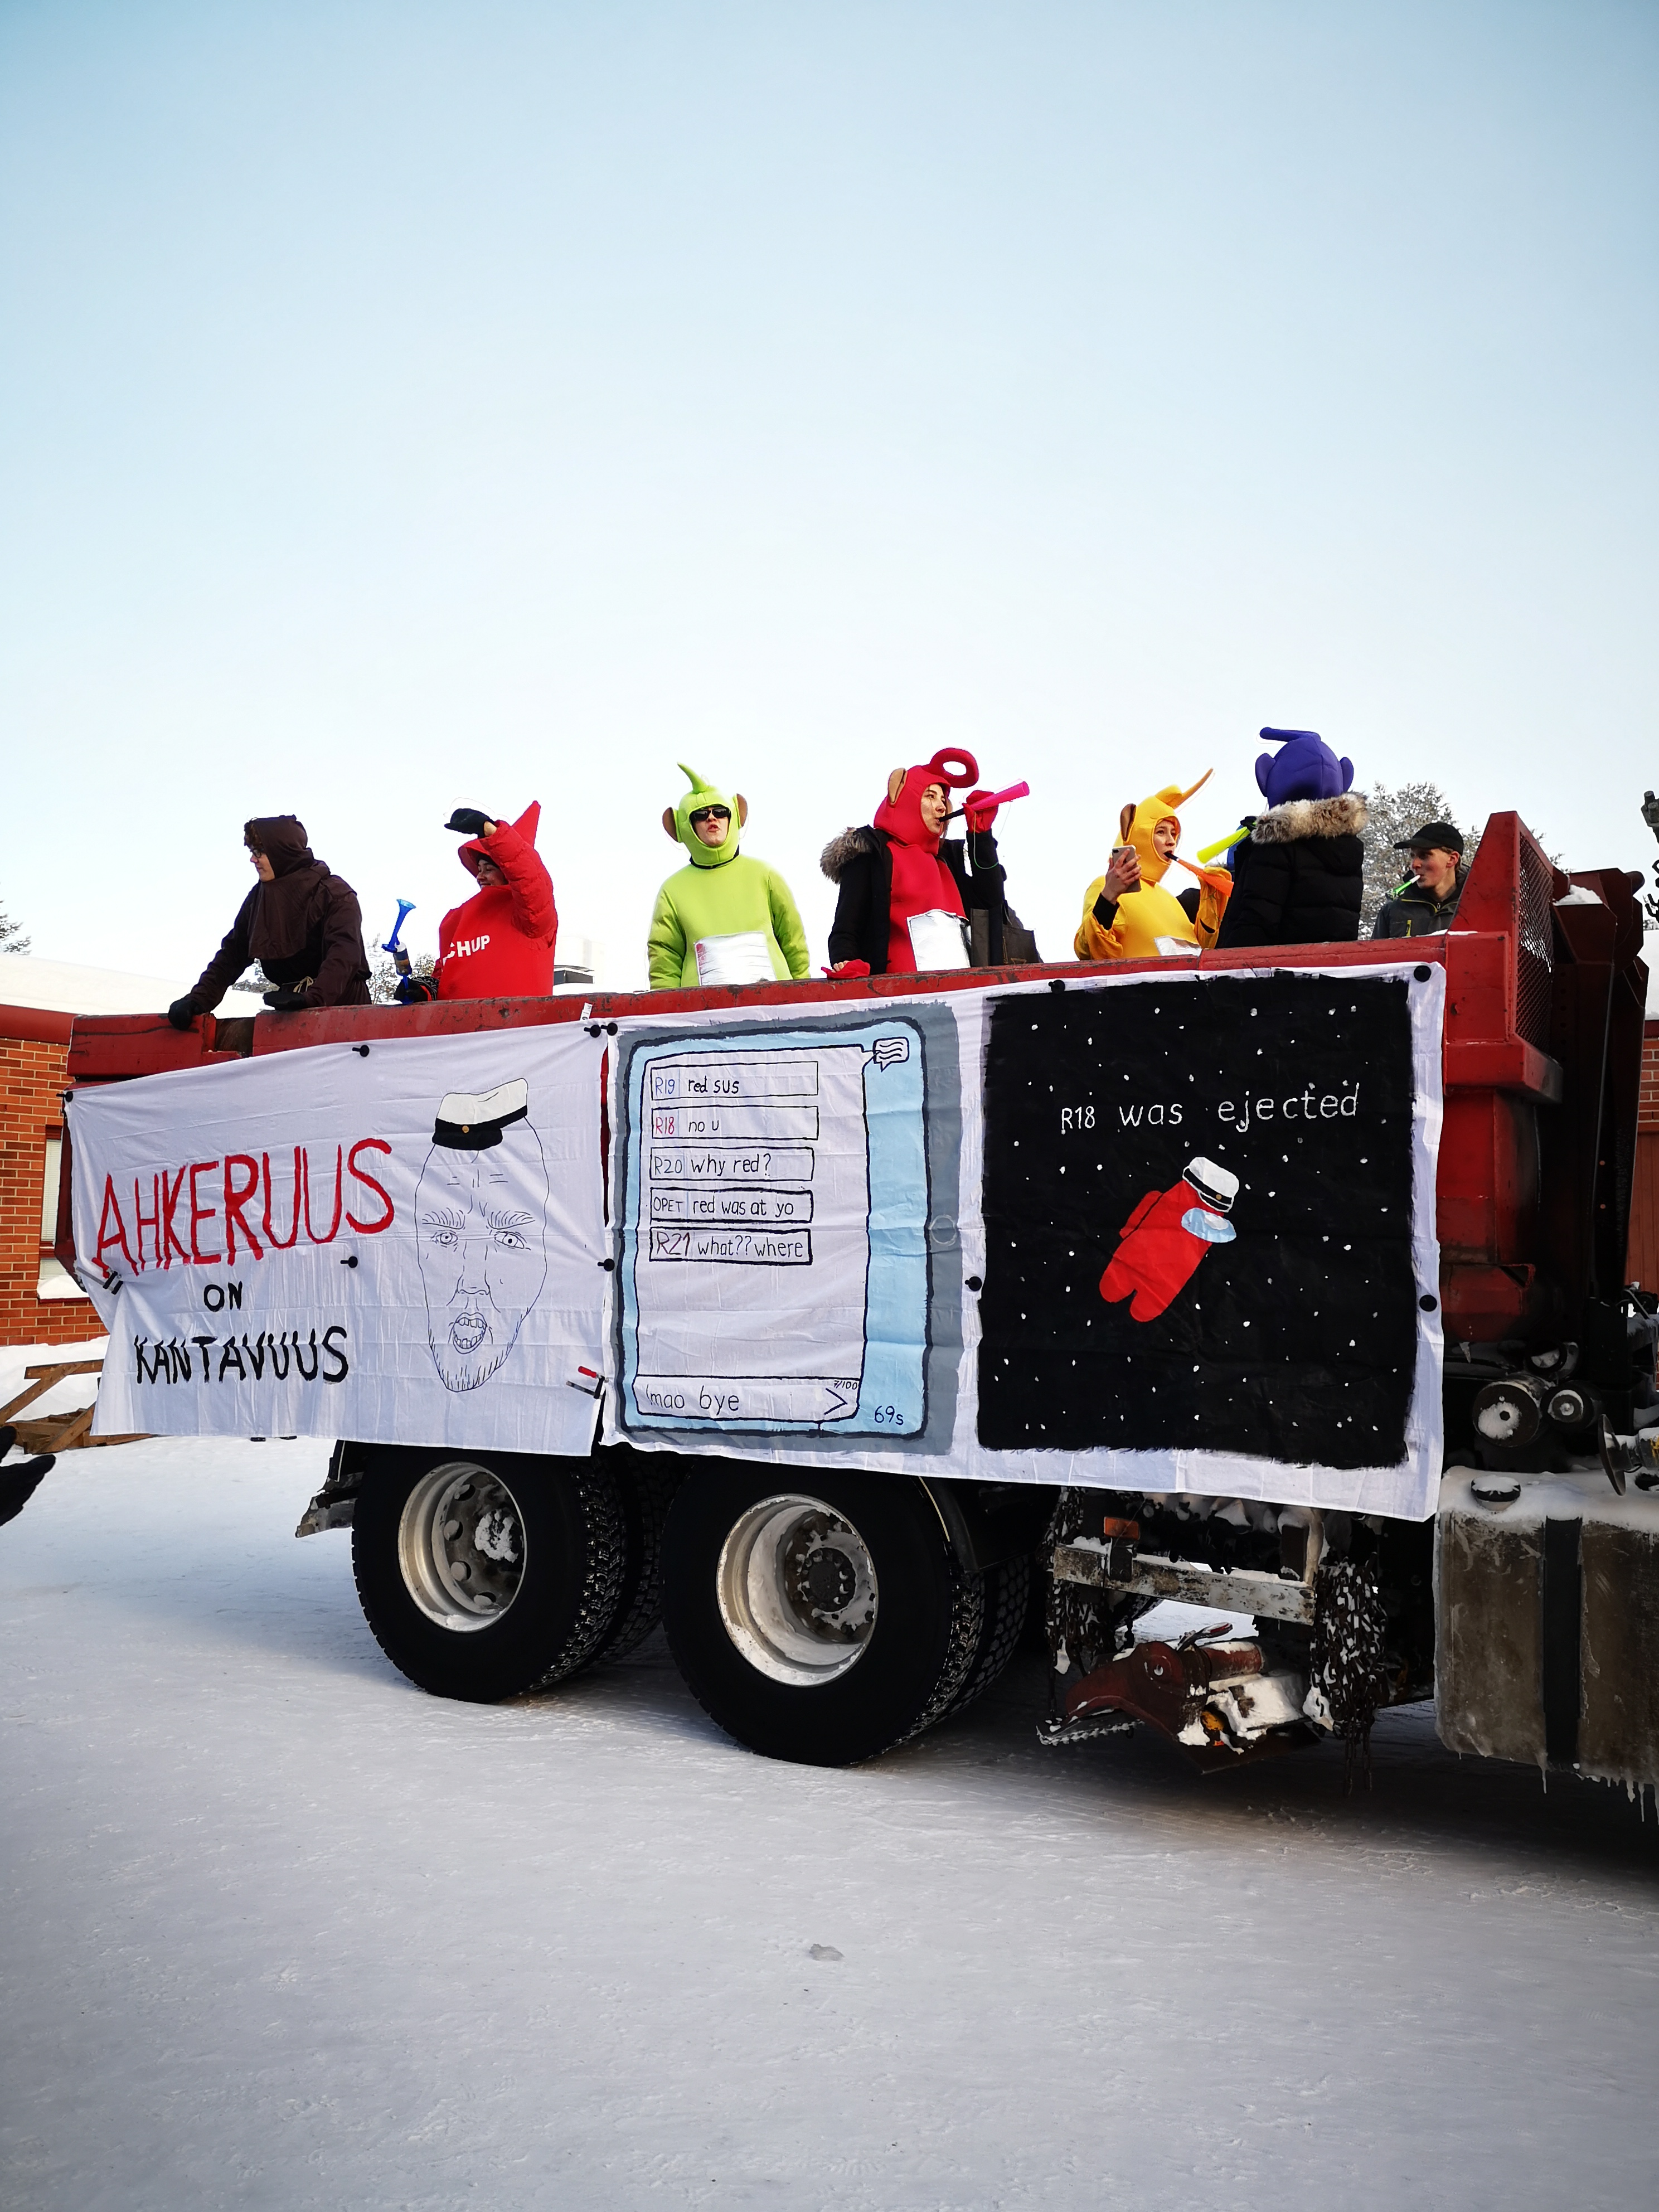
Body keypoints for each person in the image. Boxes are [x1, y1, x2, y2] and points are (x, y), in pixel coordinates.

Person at [821, 748, 1035, 975]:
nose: (942, 806)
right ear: (904, 797)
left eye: (943, 799)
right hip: (896, 989)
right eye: (930, 796)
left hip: (960, 989)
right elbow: (846, 929)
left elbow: (991, 902)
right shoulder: (873, 853)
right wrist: (847, 965)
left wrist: (981, 835)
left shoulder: (949, 859)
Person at [167, 815, 370, 1027]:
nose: (253, 860)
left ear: (282, 853)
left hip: (344, 1010)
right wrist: (198, 1000)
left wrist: (313, 998)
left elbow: (344, 954)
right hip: (291, 1011)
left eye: (259, 852)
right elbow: (232, 954)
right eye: (252, 852)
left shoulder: (334, 893)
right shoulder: (258, 899)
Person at [647, 765, 810, 989]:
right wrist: (666, 1004)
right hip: (701, 1007)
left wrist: (804, 992)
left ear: (735, 816)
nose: (712, 818)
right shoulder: (672, 890)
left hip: (775, 1002)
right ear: (683, 827)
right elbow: (665, 960)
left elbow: (794, 942)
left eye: (720, 812)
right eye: (700, 815)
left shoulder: (765, 874)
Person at [1212, 728, 1368, 949]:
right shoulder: (1348, 850)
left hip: (1271, 970)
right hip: (1331, 968)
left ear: (1266, 778)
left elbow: (1255, 925)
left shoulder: (1276, 846)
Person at [396, 803, 557, 1002]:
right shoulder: (456, 918)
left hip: (518, 1020)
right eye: (479, 869)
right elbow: (444, 976)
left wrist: (490, 831)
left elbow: (530, 877)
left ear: (507, 871)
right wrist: (425, 991)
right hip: (460, 1021)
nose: (480, 876)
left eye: (488, 869)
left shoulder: (532, 914)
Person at [1074, 771, 1230, 962]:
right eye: (1161, 832)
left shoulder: (1171, 901)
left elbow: (1198, 952)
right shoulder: (1103, 886)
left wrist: (1211, 902)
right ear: (1139, 835)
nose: (1171, 841)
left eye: (1173, 834)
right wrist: (1109, 896)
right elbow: (1090, 951)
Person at [1372, 821, 1467, 939]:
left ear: (1452, 859)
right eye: (1413, 856)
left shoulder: (1476, 908)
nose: (1414, 865)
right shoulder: (1392, 912)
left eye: (1424, 856)